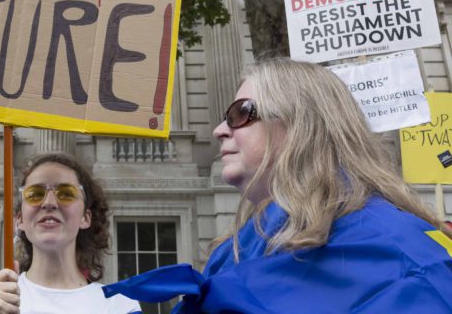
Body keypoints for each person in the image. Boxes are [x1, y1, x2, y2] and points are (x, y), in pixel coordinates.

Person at [104, 57, 452, 313]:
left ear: (300, 123)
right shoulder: (236, 249)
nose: (219, 130)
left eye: (240, 113)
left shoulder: (401, 252)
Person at [0, 153, 140, 313]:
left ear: (85, 218)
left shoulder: (120, 306)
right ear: (20, 220)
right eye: (35, 194)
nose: (49, 203)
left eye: (66, 193)